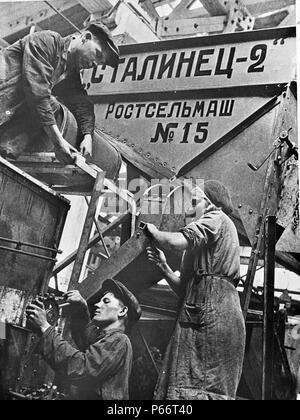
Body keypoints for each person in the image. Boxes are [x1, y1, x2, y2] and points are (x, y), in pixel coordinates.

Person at [146, 180, 246, 400]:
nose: (188, 209)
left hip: (214, 315)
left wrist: (153, 232)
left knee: (201, 388)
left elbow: (175, 242)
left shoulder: (217, 218)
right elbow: (185, 290)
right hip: (205, 312)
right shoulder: (203, 245)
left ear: (210, 203)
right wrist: (164, 268)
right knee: (188, 385)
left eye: (194, 202)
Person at [0, 21, 119, 164]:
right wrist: (58, 141)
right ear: (86, 37)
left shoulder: (69, 71)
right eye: (97, 55)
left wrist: (87, 136)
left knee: (54, 107)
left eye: (100, 63)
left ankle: (5, 149)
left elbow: (82, 104)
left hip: (5, 116)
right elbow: (37, 93)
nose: (95, 64)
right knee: (50, 104)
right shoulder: (48, 41)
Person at [26, 279, 141, 400]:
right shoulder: (107, 338)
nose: (97, 304)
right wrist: (81, 308)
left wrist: (45, 327)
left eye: (106, 301)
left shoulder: (118, 341)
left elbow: (80, 368)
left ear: (122, 311)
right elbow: (86, 338)